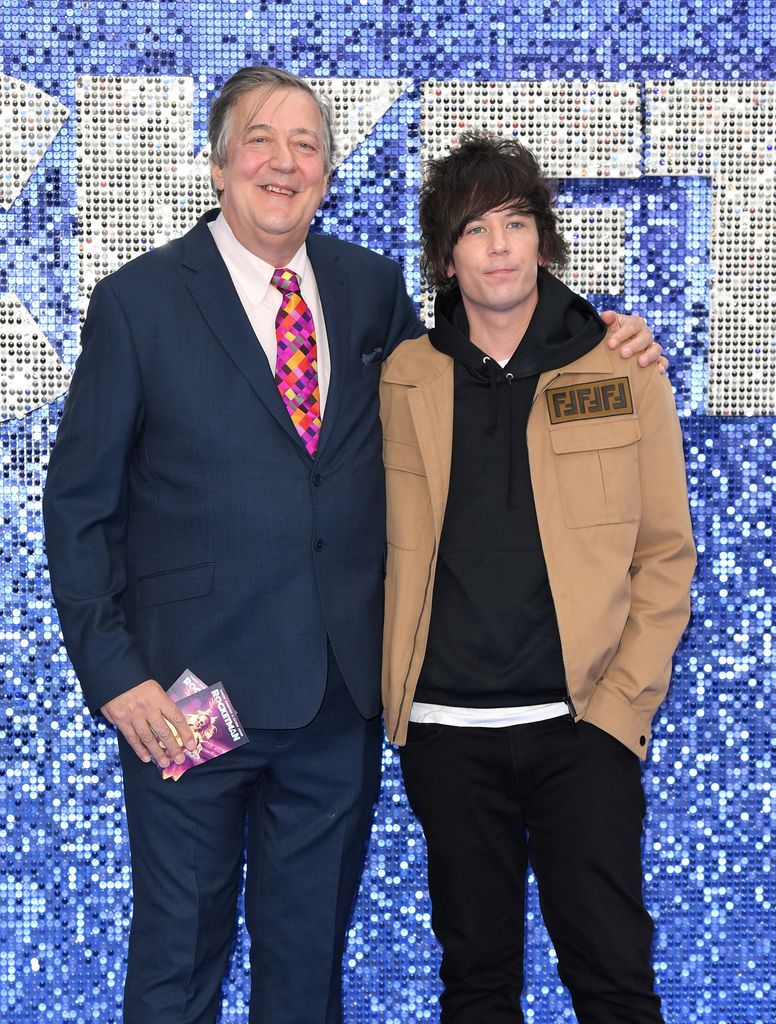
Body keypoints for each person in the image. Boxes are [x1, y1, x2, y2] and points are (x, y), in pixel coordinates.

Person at [42, 65, 663, 1024]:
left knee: (307, 974)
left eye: (307, 146)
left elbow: (484, 354)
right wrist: (115, 673)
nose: (283, 163)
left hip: (336, 701)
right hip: (185, 699)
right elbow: (78, 506)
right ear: (217, 165)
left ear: (328, 174)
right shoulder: (139, 302)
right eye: (261, 140)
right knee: (177, 960)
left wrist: (606, 336)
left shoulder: (369, 291)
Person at [380, 134, 695, 1024]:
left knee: (615, 982)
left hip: (582, 729)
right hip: (447, 733)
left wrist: (621, 710)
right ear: (448, 256)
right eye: (476, 229)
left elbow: (665, 552)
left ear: (546, 242)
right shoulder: (405, 374)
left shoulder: (619, 364)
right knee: (477, 988)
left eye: (517, 223)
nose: (501, 246)